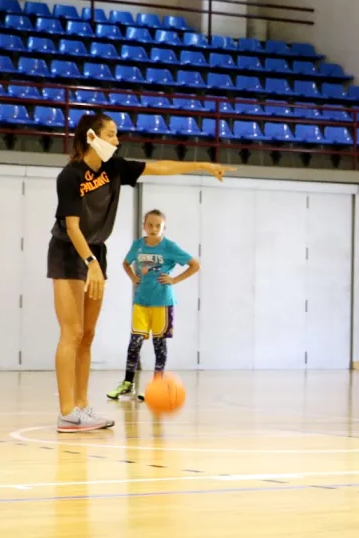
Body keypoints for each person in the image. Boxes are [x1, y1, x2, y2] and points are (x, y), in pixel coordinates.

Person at [48, 113, 232, 432]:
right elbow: (73, 227)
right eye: (112, 134)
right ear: (92, 137)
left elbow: (159, 167)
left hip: (97, 252)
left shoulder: (114, 167)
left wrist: (201, 165)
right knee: (72, 332)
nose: (117, 140)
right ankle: (66, 411)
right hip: (68, 251)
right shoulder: (70, 175)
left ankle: (81, 406)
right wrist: (91, 264)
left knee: (88, 334)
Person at [107, 209, 200, 401]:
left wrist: (174, 280)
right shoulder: (138, 245)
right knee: (134, 343)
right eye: (150, 225)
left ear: (164, 227)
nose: (153, 228)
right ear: (144, 226)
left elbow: (195, 265)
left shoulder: (169, 247)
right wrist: (133, 278)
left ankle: (156, 386)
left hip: (162, 303)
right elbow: (125, 263)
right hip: (141, 301)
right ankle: (127, 384)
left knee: (159, 344)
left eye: (158, 225)